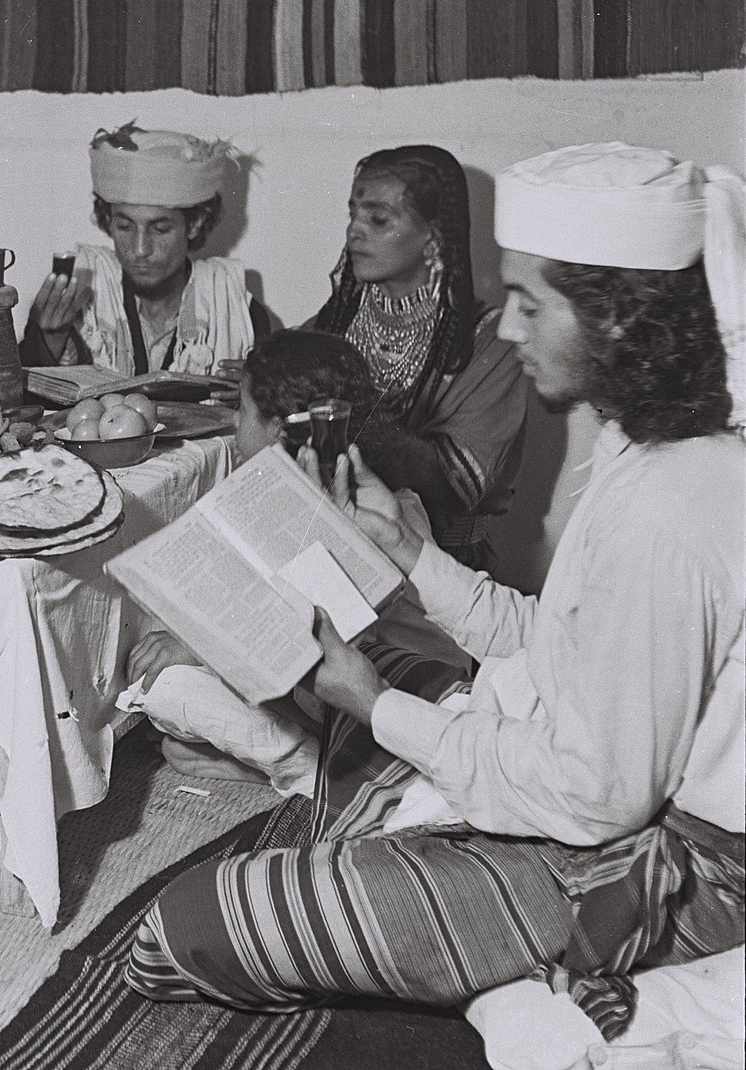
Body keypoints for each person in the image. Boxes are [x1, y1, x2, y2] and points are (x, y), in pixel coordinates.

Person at [125, 143, 745, 1048]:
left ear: (618, 320)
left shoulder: (669, 506)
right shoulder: (649, 453)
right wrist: (414, 556)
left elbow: (596, 799)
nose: (506, 328)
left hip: (673, 871)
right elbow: (559, 641)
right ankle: (434, 861)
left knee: (174, 934)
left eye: (534, 303)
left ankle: (561, 983)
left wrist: (377, 710)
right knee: (354, 674)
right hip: (592, 783)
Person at [127, 328, 467, 790]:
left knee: (171, 691)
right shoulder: (315, 497)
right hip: (342, 698)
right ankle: (315, 764)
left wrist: (198, 649)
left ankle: (314, 773)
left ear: (277, 430)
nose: (234, 425)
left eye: (242, 411)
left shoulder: (369, 512)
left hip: (400, 706)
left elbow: (308, 649)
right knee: (168, 699)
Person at [306, 145, 528, 571]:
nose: (354, 230)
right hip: (335, 554)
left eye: (378, 219)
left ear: (433, 237)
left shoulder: (491, 342)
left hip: (437, 570)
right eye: (352, 213)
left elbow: (455, 483)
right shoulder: (335, 322)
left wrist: (345, 413)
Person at [20, 122, 260, 383]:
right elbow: (26, 392)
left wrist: (251, 394)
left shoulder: (234, 306)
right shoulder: (76, 302)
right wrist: (52, 339)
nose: (140, 249)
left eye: (160, 229)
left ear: (194, 225)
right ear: (108, 221)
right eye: (125, 227)